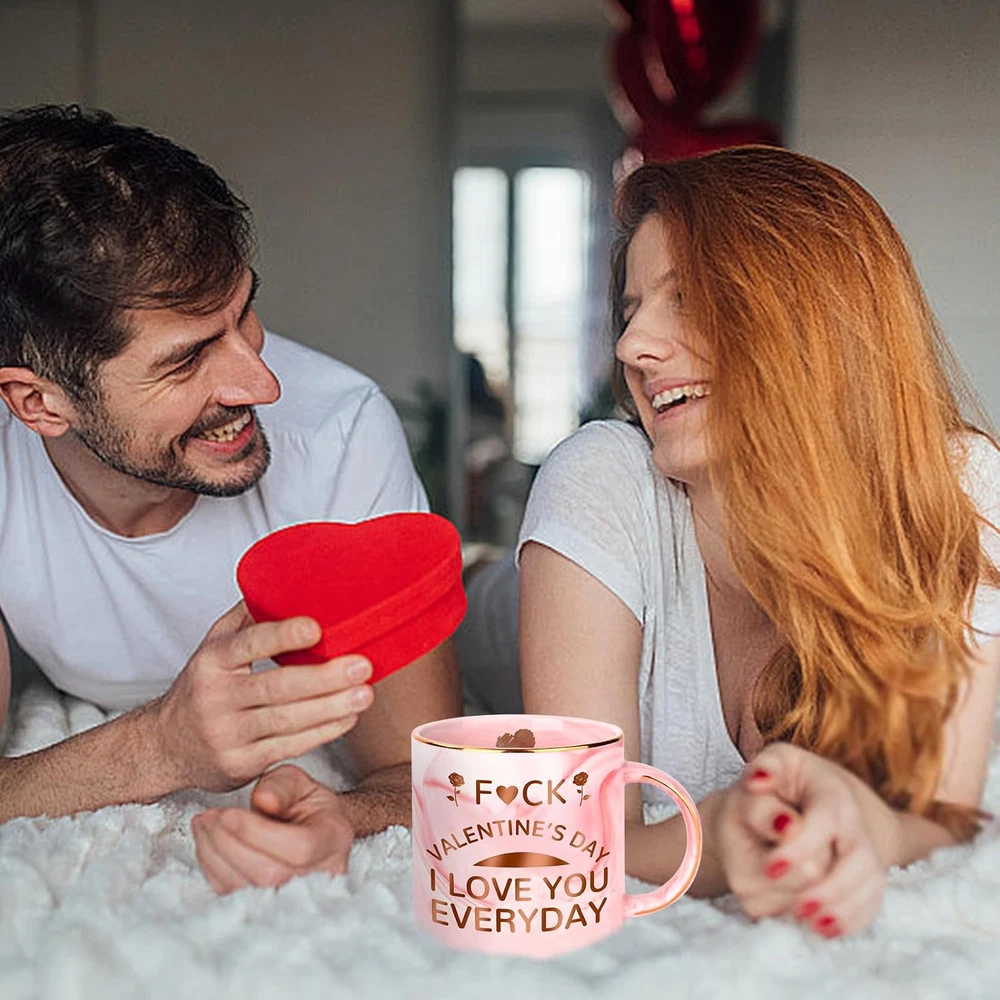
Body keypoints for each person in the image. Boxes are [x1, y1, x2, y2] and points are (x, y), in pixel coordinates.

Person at [465, 145, 1000, 938]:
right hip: (479, 610)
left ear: (816, 324)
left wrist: (867, 823)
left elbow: (944, 812)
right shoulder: (602, 477)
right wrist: (708, 843)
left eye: (685, 299)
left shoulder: (958, 493)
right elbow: (572, 835)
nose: (631, 347)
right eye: (631, 310)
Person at [0, 105, 460, 892]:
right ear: (39, 403)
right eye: (186, 362)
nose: (262, 383)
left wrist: (343, 818)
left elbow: (418, 767)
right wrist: (160, 746)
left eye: (244, 312)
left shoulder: (341, 430)